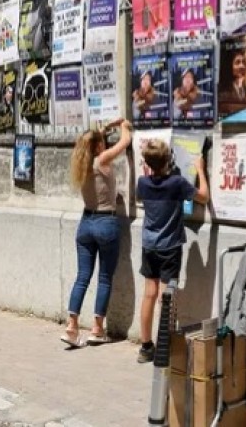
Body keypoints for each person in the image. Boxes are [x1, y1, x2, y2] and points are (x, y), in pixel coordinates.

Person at [61, 118, 133, 348]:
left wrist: (105, 128)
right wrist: (123, 126)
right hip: (105, 222)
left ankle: (71, 327)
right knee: (104, 278)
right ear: (99, 146)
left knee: (82, 277)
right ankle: (97, 328)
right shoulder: (103, 159)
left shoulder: (82, 162)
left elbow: (91, 139)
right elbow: (126, 142)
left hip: (86, 223)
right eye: (102, 141)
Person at [136, 139, 209, 362]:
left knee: (149, 293)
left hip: (149, 244)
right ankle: (165, 346)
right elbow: (203, 197)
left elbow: (144, 194)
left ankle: (146, 345)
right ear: (169, 160)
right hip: (170, 246)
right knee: (165, 297)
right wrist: (200, 170)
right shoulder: (177, 183)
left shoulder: (142, 182)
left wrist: (148, 170)